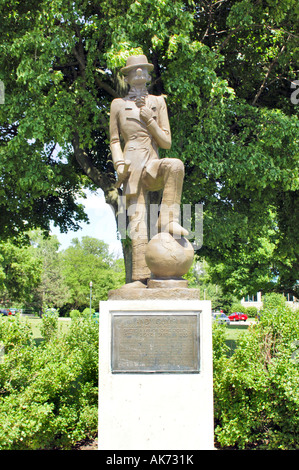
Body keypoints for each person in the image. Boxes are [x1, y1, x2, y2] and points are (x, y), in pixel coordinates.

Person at [109, 54, 187, 286]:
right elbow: (114, 140)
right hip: (131, 164)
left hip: (152, 163)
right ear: (127, 76)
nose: (139, 74)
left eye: (143, 70)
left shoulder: (158, 102)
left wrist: (149, 120)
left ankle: (168, 220)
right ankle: (140, 277)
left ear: (149, 75)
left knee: (175, 165)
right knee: (137, 219)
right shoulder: (118, 105)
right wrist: (118, 163)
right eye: (134, 71)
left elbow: (166, 143)